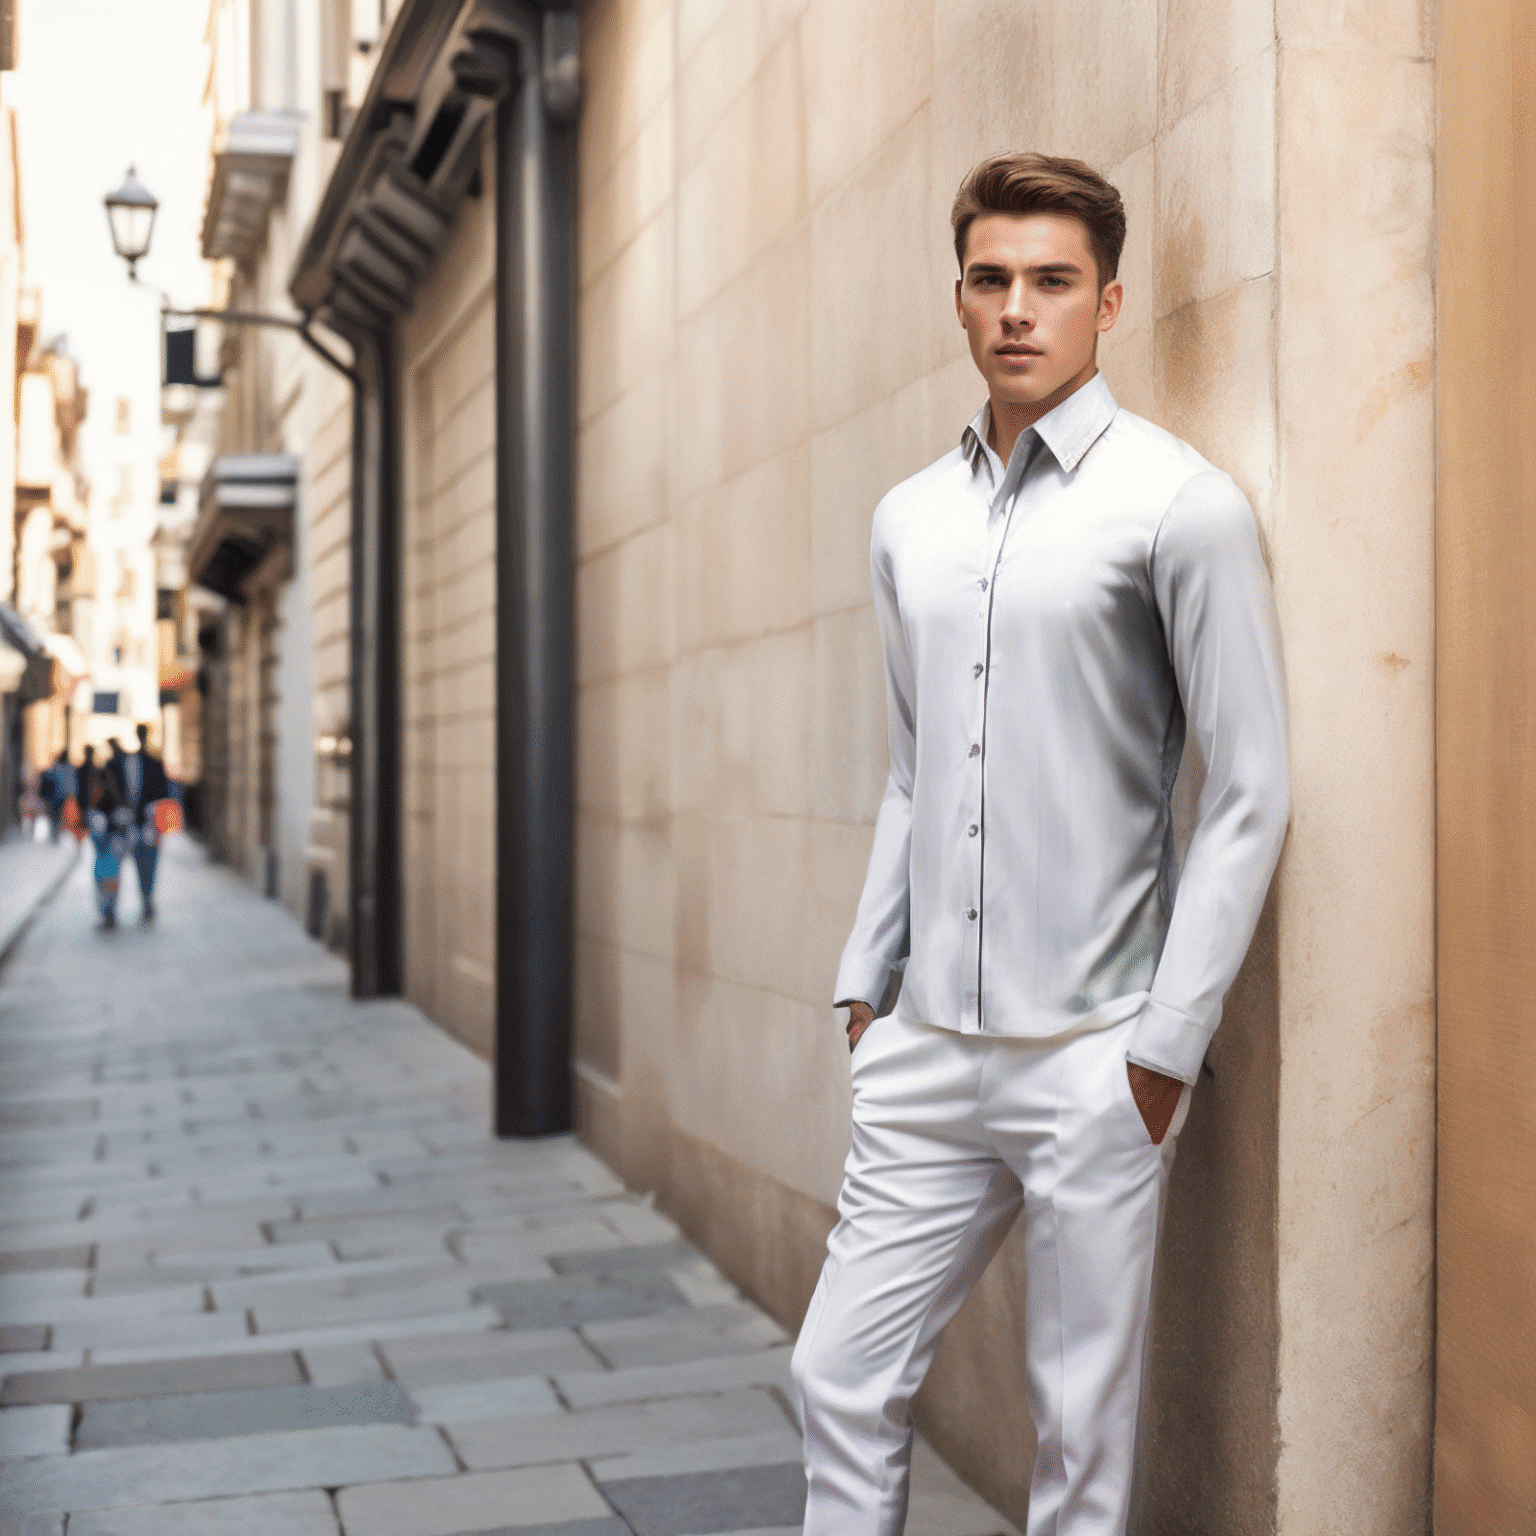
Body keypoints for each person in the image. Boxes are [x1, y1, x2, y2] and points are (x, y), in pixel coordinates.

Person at [791, 153, 1290, 1536]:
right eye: (993, 278)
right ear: (959, 296)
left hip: (1095, 1056)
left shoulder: (1180, 506)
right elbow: (913, 769)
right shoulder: (909, 520)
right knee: (835, 1375)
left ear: (1107, 302)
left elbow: (1251, 785)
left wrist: (1162, 1050)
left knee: (1078, 1449)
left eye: (1053, 281)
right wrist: (866, 983)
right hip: (924, 1051)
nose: (1019, 308)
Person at [110, 724, 170, 920]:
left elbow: (163, 796)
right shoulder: (120, 763)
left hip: (147, 826)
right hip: (122, 826)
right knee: (112, 868)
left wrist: (156, 824)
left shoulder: (154, 764)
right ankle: (109, 911)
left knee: (148, 867)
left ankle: (147, 900)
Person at [86, 774, 130, 930]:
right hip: (104, 856)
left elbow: (123, 832)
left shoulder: (110, 810)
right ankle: (107, 915)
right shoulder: (97, 809)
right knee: (105, 885)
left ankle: (109, 915)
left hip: (110, 855)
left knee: (108, 885)